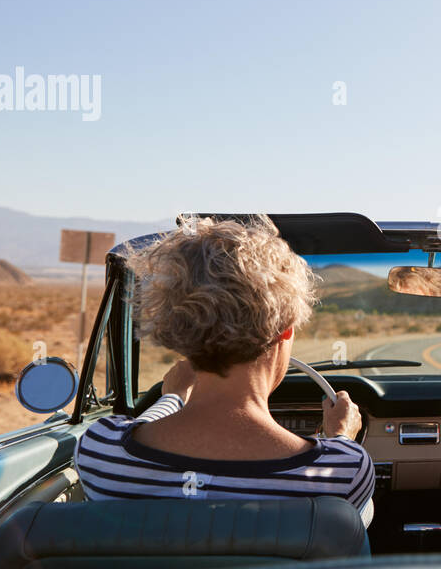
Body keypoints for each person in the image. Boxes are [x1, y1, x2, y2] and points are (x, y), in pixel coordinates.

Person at [73, 215, 375, 525]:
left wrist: (172, 398)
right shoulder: (342, 471)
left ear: (178, 326)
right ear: (284, 329)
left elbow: (133, 430)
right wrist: (342, 436)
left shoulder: (101, 452)